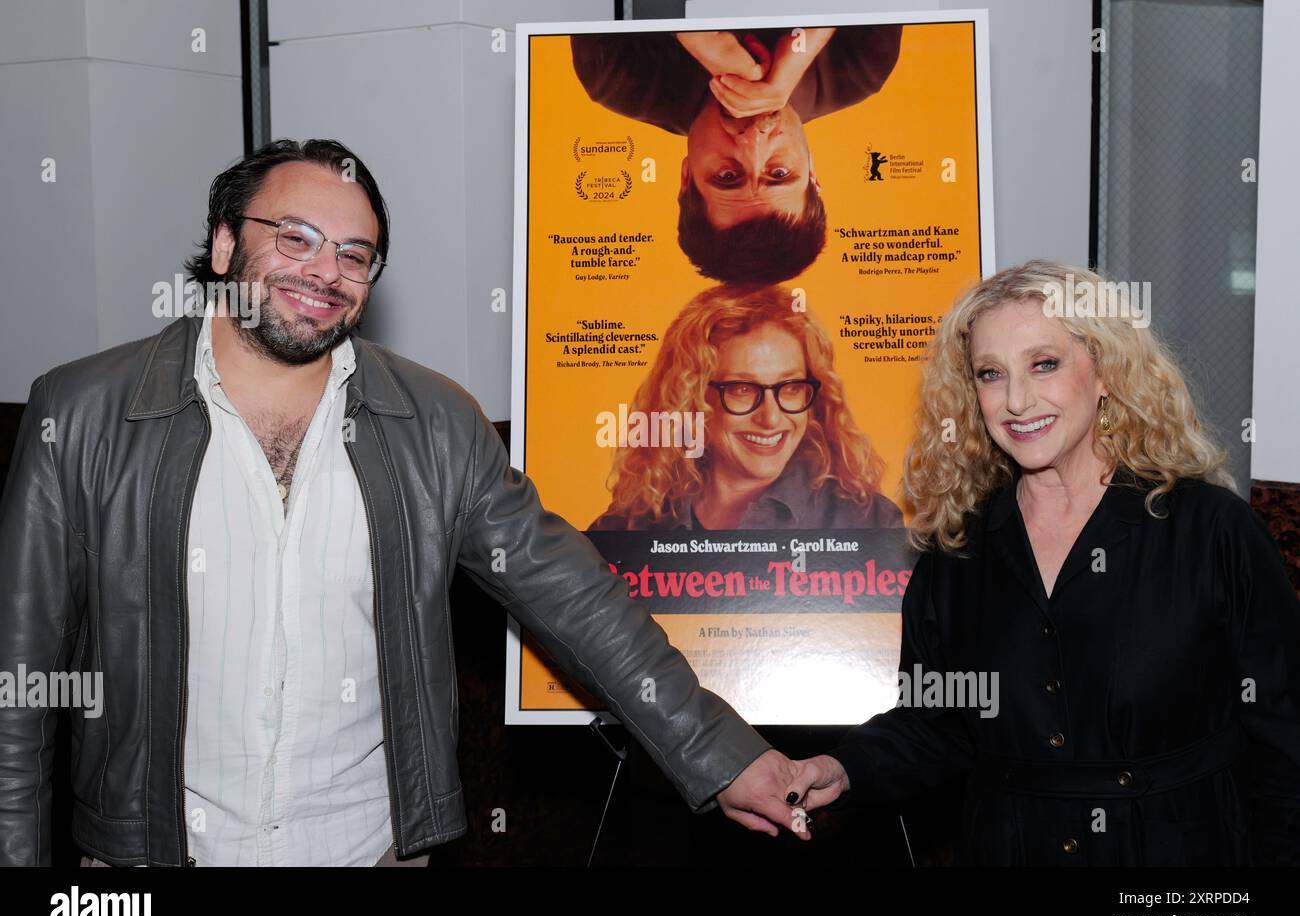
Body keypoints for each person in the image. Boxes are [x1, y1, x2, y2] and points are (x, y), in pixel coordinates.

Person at [0, 139, 806, 867]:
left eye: (356, 255)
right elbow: (23, 675)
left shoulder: (434, 423)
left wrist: (718, 753)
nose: (325, 272)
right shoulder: (81, 413)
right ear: (222, 243)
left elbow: (577, 600)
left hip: (371, 850)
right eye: (295, 238)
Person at [785, 260, 1300, 864]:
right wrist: (840, 768)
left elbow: (1286, 747)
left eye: (1044, 364)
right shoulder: (958, 551)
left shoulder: (1212, 532)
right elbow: (936, 724)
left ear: (1105, 370)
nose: (1017, 400)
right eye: (991, 374)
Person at [571, 25, 903, 284]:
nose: (753, 142)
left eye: (728, 177)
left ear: (686, 177)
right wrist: (804, 45)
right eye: (780, 174)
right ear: (813, 172)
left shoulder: (617, 78)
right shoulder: (862, 69)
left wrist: (697, 35)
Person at [589, 284, 902, 531]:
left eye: (790, 388)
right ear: (691, 400)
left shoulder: (867, 522)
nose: (771, 418)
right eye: (742, 389)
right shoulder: (626, 529)